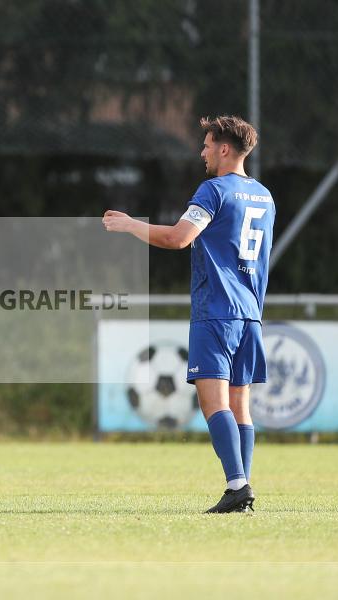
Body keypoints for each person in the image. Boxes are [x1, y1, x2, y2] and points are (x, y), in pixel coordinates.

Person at [102, 115, 275, 513]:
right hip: (250, 313)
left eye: (207, 144)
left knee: (214, 403)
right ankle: (242, 487)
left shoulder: (214, 189)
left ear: (224, 149)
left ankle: (237, 486)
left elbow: (179, 238)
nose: (202, 152)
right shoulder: (264, 195)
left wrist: (132, 225)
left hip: (216, 310)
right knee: (239, 404)